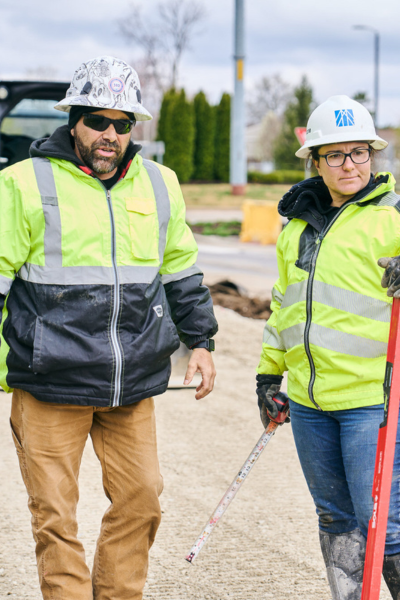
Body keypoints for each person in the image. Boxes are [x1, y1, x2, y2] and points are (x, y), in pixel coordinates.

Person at [0, 55, 218, 600]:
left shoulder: (160, 184)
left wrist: (202, 342)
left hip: (131, 383)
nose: (111, 134)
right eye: (99, 120)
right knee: (56, 518)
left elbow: (180, 270)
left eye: (124, 124)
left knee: (142, 499)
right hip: (50, 382)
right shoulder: (23, 184)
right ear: (73, 118)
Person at [256, 95, 400, 600]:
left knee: (386, 520)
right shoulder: (297, 227)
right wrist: (268, 376)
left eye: (359, 152)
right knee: (335, 517)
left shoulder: (394, 217)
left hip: (372, 403)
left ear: (373, 156)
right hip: (311, 404)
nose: (350, 165)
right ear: (315, 161)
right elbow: (284, 308)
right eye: (335, 155)